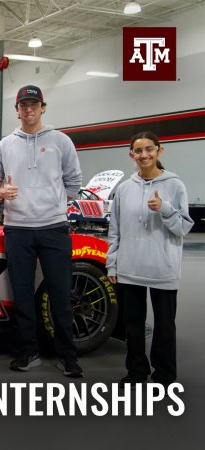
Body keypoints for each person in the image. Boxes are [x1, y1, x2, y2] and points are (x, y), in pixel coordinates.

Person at [0, 84, 83, 378]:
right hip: (17, 230)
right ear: (17, 110)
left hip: (54, 228)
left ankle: (68, 356)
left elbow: (74, 184)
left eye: (34, 104)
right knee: (23, 294)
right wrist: (1, 193)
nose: (29, 109)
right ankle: (28, 352)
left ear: (43, 107)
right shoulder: (5, 145)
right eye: (23, 105)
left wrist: (51, 203)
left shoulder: (61, 141)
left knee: (61, 294)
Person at [106, 131, 193, 387]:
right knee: (132, 325)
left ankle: (164, 374)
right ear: (131, 154)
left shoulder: (174, 185)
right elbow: (115, 230)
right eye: (138, 150)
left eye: (149, 149)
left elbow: (183, 228)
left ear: (159, 151)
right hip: (130, 267)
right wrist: (112, 264)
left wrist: (165, 209)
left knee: (165, 325)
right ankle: (136, 371)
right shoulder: (124, 189)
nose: (144, 155)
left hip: (162, 268)